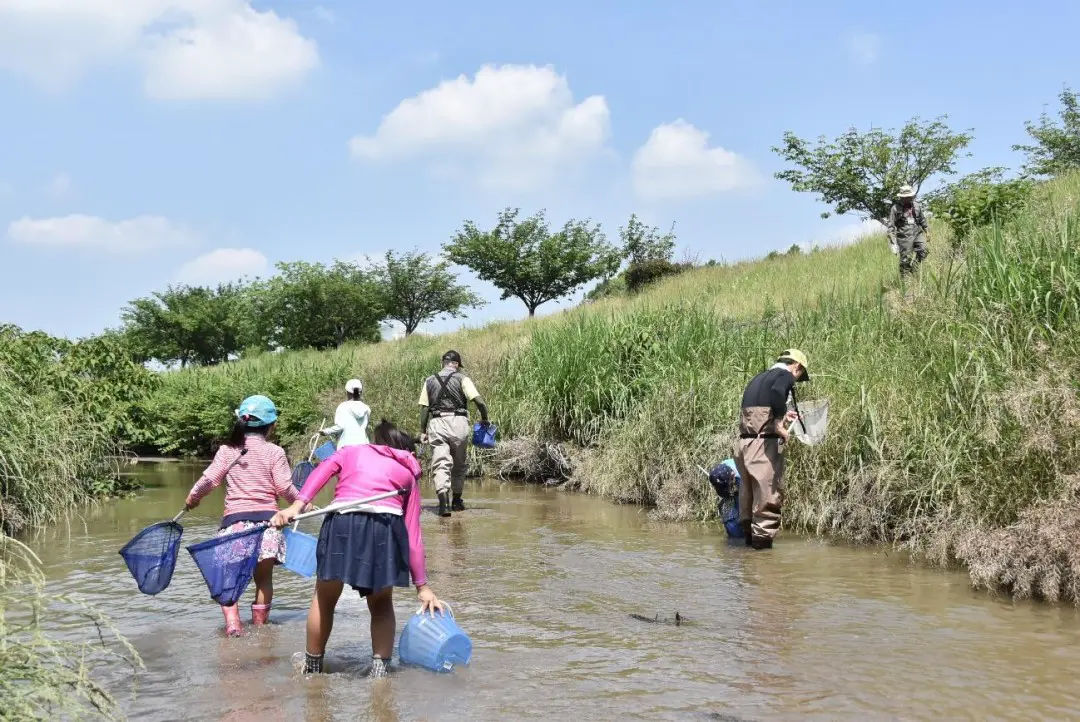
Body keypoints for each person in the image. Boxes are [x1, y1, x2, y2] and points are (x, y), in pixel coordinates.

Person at [272, 419, 444, 678]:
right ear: (405, 450)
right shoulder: (407, 473)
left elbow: (321, 472)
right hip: (384, 528)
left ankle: (313, 668)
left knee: (324, 598)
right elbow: (412, 535)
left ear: (377, 443)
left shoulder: (351, 452)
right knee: (381, 603)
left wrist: (296, 507)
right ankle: (380, 676)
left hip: (342, 521)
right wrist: (423, 587)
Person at [184, 394, 298, 636]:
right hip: (268, 526)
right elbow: (284, 488)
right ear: (273, 425)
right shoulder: (275, 452)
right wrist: (302, 504)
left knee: (228, 579)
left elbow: (209, 480)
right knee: (263, 580)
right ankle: (260, 628)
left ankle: (233, 626)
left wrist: (193, 497)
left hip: (235, 526)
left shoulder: (228, 450)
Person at [732, 350, 809, 550]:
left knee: (748, 495)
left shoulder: (759, 378)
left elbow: (759, 410)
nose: (796, 379)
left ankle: (748, 550)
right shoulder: (785, 375)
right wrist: (779, 425)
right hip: (763, 447)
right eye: (800, 375)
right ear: (797, 366)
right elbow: (777, 392)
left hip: (744, 444)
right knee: (767, 496)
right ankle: (763, 557)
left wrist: (782, 414)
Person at [417, 350, 490, 517]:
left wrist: (422, 431)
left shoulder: (429, 380)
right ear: (456, 364)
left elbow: (425, 409)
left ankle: (444, 505)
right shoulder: (463, 379)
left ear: (442, 363)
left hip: (437, 423)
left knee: (440, 463)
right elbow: (479, 402)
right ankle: (457, 501)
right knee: (458, 464)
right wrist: (485, 418)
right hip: (459, 423)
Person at [886, 184, 931, 277]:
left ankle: (914, 267)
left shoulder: (916, 206)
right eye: (905, 197)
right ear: (901, 197)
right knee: (905, 259)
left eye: (909, 196)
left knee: (924, 250)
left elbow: (922, 220)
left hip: (917, 232)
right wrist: (892, 239)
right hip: (904, 236)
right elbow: (891, 225)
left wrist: (927, 231)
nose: (908, 198)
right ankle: (905, 279)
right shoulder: (895, 208)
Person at [320, 378, 372, 449]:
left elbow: (340, 426)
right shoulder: (366, 408)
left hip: (346, 446)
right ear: (360, 392)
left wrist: (325, 431)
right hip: (363, 446)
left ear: (347, 392)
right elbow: (365, 428)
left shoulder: (342, 407)